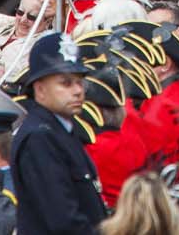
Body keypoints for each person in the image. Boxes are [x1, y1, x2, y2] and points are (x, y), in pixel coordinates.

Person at [9, 34, 111, 235]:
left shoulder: (59, 129)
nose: (78, 91)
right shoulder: (39, 138)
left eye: (80, 82)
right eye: (66, 83)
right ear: (40, 89)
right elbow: (63, 221)